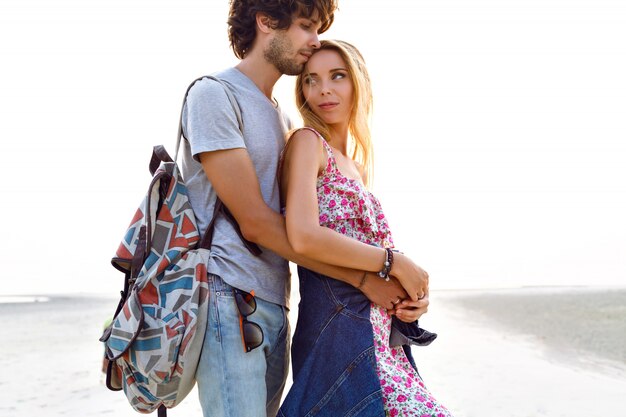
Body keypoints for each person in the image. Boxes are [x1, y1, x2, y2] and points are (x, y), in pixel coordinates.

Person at [180, 2, 429, 417]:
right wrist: (370, 277)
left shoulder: (279, 117)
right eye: (305, 27)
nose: (314, 40)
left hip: (277, 302)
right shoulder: (213, 94)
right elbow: (257, 223)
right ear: (265, 21)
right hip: (228, 293)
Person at [277, 40, 453, 417]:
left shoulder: (356, 166)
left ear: (358, 84)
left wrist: (410, 300)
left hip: (384, 340)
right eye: (312, 80)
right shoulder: (308, 143)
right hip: (341, 331)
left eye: (337, 76)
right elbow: (303, 236)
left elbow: (364, 254)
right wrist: (393, 262)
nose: (324, 89)